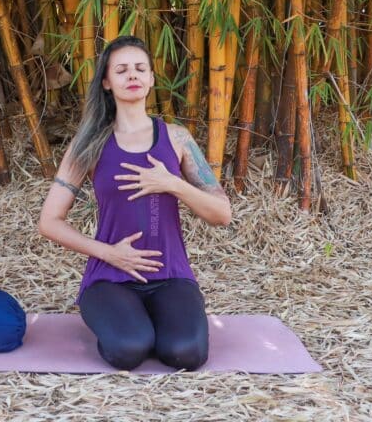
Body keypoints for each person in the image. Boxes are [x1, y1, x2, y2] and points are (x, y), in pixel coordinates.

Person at [38, 35, 232, 371]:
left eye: (140, 68)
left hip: (171, 275)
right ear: (107, 82)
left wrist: (172, 184)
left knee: (187, 354)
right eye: (122, 70)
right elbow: (49, 221)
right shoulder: (90, 144)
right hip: (110, 276)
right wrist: (108, 252)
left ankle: (150, 322)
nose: (132, 76)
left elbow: (222, 214)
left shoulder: (176, 138)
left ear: (151, 79)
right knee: (129, 350)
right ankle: (125, 322)